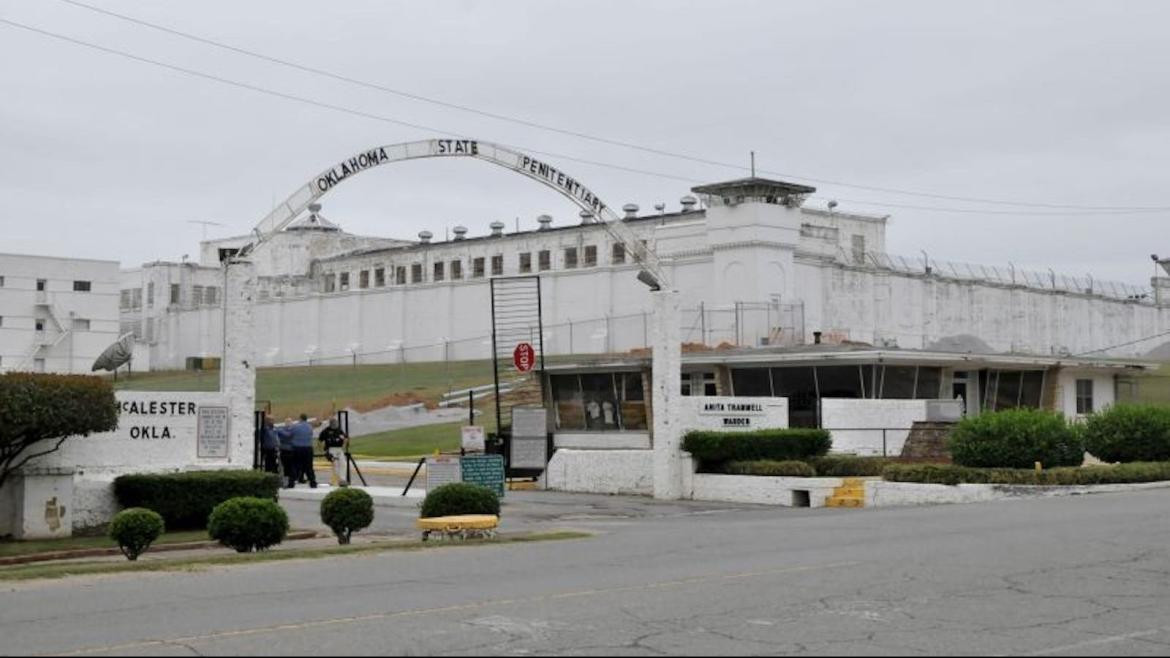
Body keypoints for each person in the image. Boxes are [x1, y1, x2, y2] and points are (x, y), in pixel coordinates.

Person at [318, 418, 349, 487]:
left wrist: (344, 445)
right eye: (334, 423)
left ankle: (342, 479)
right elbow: (320, 440)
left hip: (339, 449)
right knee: (335, 465)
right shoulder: (326, 431)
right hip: (331, 449)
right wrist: (322, 451)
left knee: (343, 464)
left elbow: (345, 438)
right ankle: (338, 480)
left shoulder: (339, 430)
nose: (335, 425)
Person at [289, 413, 317, 488]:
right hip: (308, 448)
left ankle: (291, 482)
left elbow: (290, 435)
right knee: (309, 466)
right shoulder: (309, 427)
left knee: (295, 466)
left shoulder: (295, 426)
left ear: (300, 418)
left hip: (297, 448)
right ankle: (312, 482)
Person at [276, 417, 298, 488]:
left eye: (289, 422)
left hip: (290, 451)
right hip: (286, 451)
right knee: (287, 468)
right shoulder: (293, 430)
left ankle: (290, 483)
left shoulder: (284, 431)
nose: (288, 423)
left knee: (290, 468)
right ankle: (287, 483)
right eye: (287, 422)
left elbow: (287, 435)